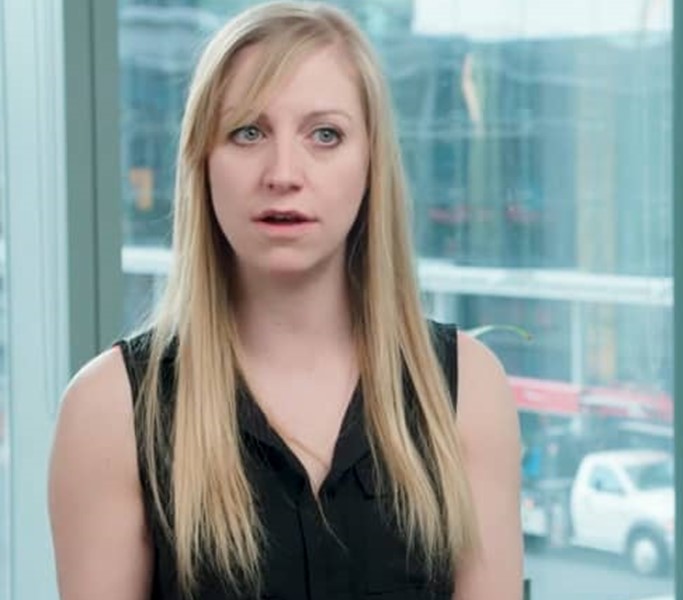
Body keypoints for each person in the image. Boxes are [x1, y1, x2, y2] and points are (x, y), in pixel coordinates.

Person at [47, 2, 523, 598]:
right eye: (248, 132)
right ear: (203, 163)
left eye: (325, 135)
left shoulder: (464, 391)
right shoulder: (110, 410)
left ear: (371, 165)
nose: (283, 172)